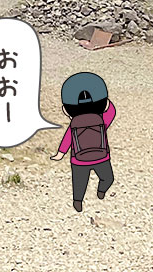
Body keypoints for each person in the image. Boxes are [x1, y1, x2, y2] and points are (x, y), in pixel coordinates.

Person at [51, 71, 115, 210]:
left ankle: (77, 201)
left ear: (66, 110)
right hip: (102, 157)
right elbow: (111, 111)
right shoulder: (102, 120)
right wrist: (107, 102)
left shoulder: (74, 124)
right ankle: (101, 191)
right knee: (108, 178)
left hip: (78, 160)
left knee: (79, 183)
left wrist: (60, 154)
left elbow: (67, 140)